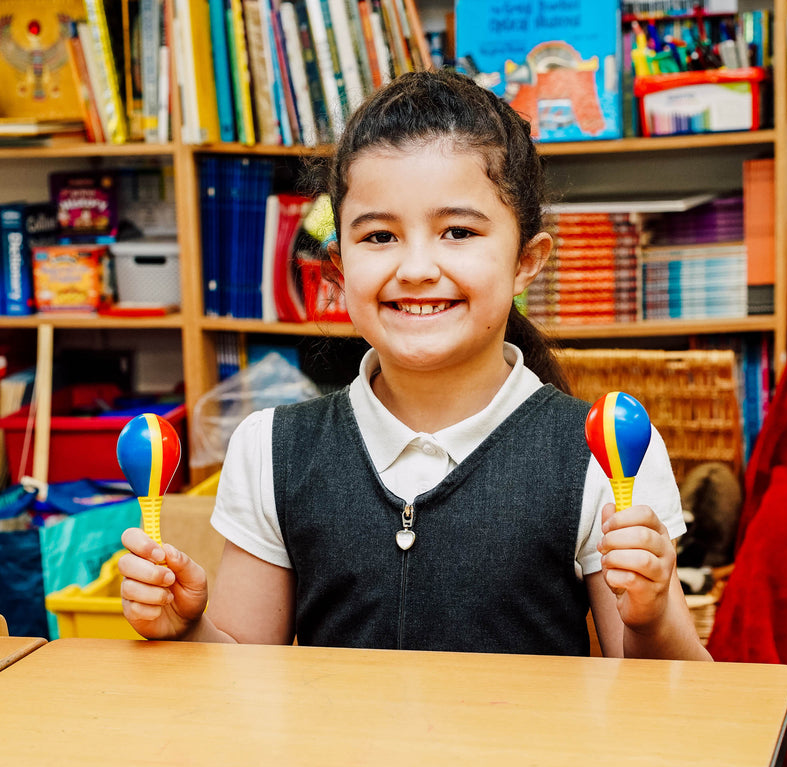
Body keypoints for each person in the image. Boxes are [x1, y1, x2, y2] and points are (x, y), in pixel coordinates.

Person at [119, 69, 710, 660]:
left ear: (527, 261)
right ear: (339, 267)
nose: (417, 267)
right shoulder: (271, 449)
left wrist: (653, 617)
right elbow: (241, 681)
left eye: (457, 231)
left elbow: (670, 700)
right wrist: (188, 629)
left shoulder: (606, 456)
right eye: (379, 237)